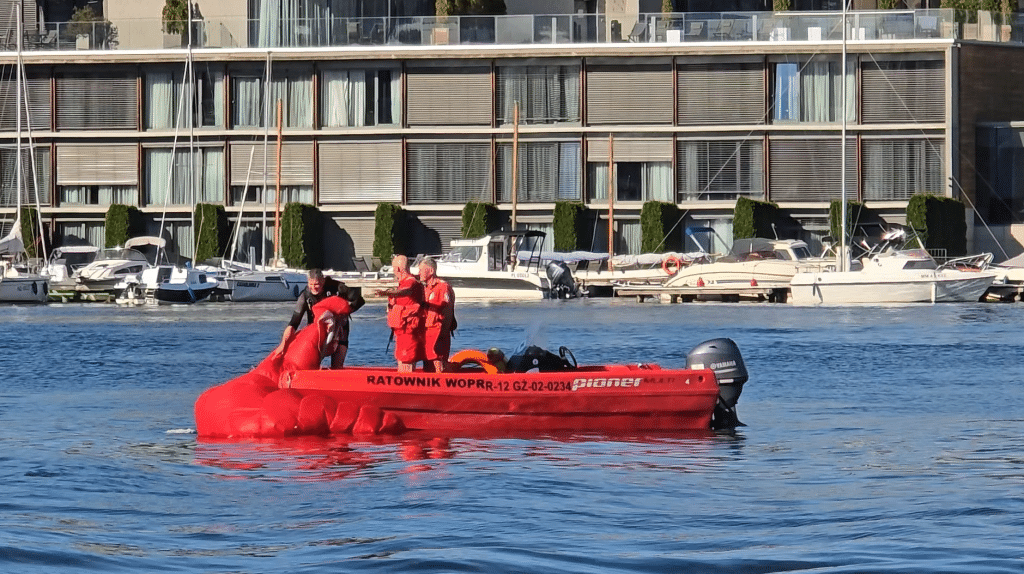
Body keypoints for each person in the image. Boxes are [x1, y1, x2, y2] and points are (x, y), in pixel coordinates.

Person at [274, 268, 365, 368]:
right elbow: (294, 323)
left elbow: (359, 300)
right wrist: (283, 344)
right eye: (311, 284)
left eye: (316, 284)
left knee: (337, 366)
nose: (314, 288)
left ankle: (337, 372)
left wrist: (345, 311)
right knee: (311, 365)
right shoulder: (305, 296)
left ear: (323, 281)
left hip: (339, 330)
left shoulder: (336, 287)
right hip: (317, 334)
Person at [375, 255, 423, 372]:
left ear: (397, 269)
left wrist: (387, 293)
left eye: (394, 268)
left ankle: (407, 381)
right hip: (401, 331)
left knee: (406, 359)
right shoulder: (405, 283)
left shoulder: (410, 282)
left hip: (408, 330)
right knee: (402, 358)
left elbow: (405, 292)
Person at [418, 258, 456, 373]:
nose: (419, 273)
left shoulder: (442, 287)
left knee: (438, 362)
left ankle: (442, 380)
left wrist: (443, 333)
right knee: (428, 364)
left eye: (421, 270)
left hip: (438, 334)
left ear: (430, 271)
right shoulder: (426, 288)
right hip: (427, 334)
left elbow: (447, 311)